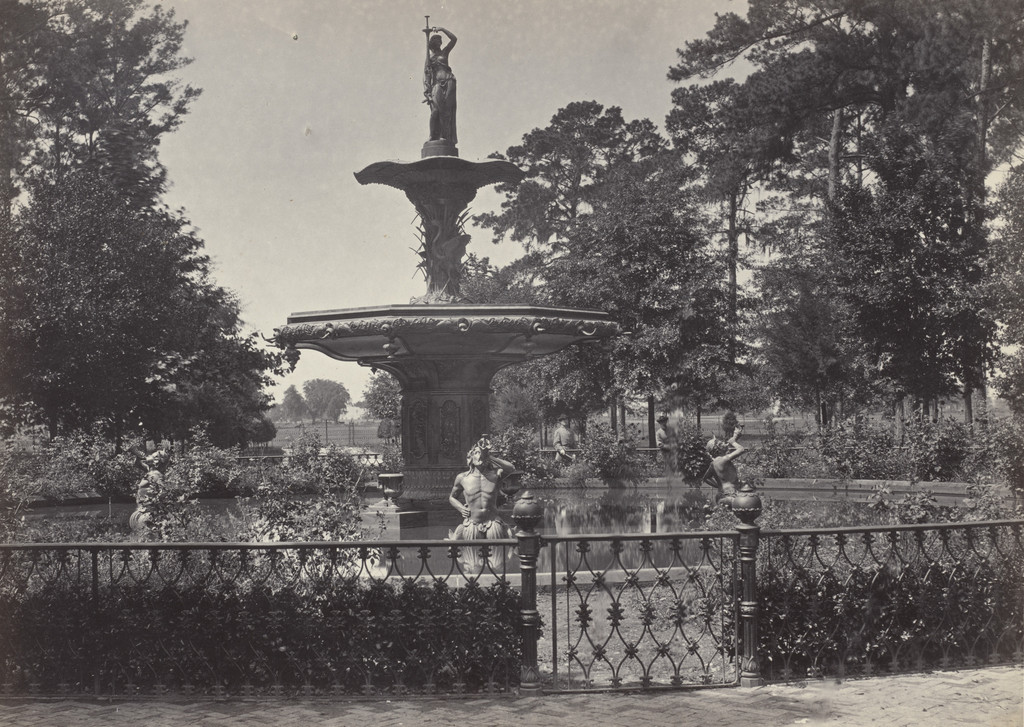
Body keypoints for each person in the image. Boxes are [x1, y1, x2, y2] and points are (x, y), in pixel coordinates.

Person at [449, 435, 514, 540]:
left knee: (496, 554)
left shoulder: (495, 475)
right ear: (471, 457)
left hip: (493, 523)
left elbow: (511, 468)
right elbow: (452, 497)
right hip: (472, 523)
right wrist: (461, 508)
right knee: (472, 554)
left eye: (482, 454)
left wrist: (489, 456)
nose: (480, 456)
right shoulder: (462, 478)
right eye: (476, 453)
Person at [423, 26, 457, 143]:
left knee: (446, 111)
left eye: (441, 41)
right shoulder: (429, 57)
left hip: (449, 82)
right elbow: (426, 75)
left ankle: (444, 136)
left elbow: (454, 39)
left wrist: (442, 29)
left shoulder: (445, 52)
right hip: (436, 85)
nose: (440, 43)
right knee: (435, 111)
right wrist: (427, 92)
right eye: (438, 41)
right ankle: (432, 135)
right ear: (432, 43)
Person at [701, 423, 747, 506]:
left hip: (721, 496)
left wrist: (719, 486)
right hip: (731, 496)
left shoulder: (714, 463)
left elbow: (706, 478)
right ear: (717, 449)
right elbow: (741, 449)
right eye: (720, 443)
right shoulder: (724, 460)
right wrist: (733, 441)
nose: (723, 443)